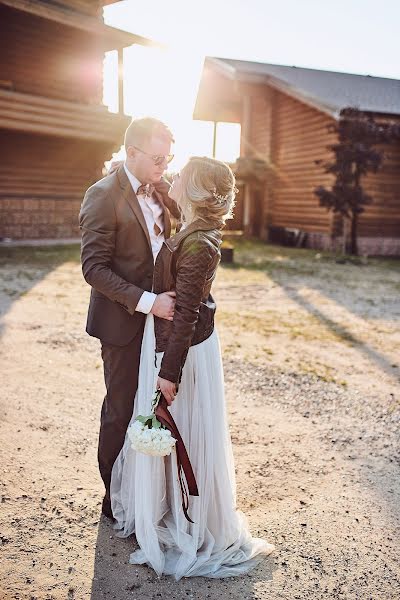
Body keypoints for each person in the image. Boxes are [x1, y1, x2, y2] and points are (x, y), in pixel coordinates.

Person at [110, 156, 275, 579]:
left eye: (181, 174)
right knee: (173, 430)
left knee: (186, 432)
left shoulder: (201, 242)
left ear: (196, 189)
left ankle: (195, 523)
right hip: (171, 343)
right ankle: (178, 512)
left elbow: (186, 313)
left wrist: (169, 371)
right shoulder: (192, 229)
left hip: (183, 350)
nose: (173, 177)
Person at [79, 117, 181, 520]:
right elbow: (94, 268)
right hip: (123, 323)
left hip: (163, 325)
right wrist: (147, 301)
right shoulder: (102, 195)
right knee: (120, 409)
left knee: (155, 405)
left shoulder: (164, 190)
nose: (163, 165)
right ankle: (115, 501)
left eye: (168, 157)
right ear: (131, 153)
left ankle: (147, 494)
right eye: (157, 157)